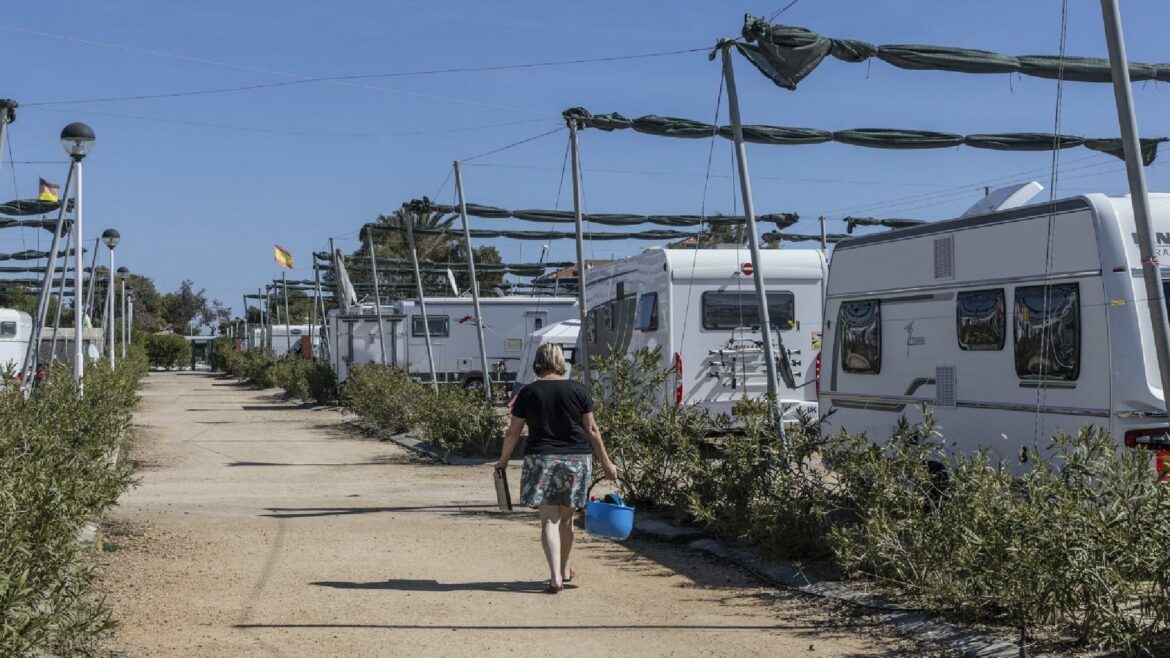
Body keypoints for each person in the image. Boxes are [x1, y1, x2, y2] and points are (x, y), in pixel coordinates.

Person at [495, 342, 618, 593]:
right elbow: (592, 430)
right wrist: (606, 463)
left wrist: (503, 461)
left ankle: (555, 577)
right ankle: (563, 569)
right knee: (567, 521)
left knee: (548, 521)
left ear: (538, 362)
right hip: (577, 459)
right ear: (561, 362)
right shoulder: (578, 390)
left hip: (541, 459)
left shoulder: (527, 393)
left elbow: (513, 433)